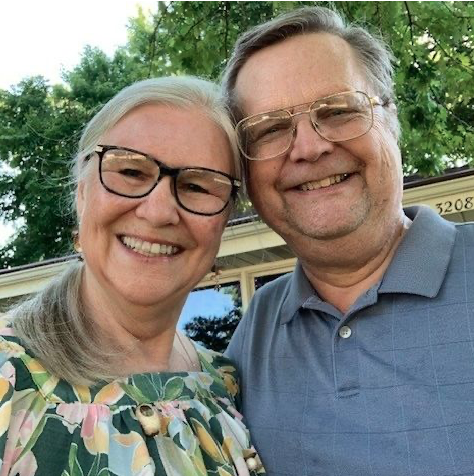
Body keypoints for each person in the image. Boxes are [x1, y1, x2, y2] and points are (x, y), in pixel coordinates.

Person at [223, 6, 474, 476]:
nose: (310, 146)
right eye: (272, 129)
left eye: (337, 111)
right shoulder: (255, 331)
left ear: (390, 120)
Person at [0, 77, 264, 476]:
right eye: (130, 171)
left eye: (196, 186)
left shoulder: (226, 384)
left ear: (225, 220)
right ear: (82, 193)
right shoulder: (8, 378)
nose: (158, 212)